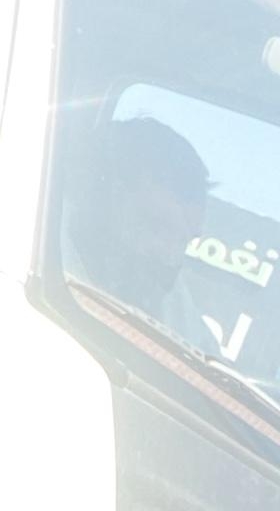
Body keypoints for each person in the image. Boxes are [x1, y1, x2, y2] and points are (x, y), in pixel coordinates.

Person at [65, 115, 214, 349]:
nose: (167, 255)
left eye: (181, 242)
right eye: (156, 227)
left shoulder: (173, 304)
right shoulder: (40, 250)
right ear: (110, 195)